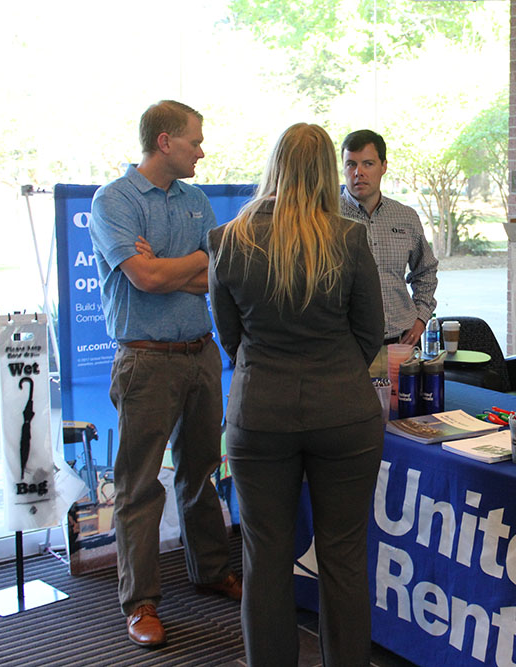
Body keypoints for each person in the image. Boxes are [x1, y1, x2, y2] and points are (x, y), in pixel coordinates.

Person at [208, 123, 385, 666]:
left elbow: (230, 338)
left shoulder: (226, 239)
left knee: (264, 556)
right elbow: (369, 332)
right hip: (345, 415)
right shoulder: (350, 237)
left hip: (259, 413)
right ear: (327, 173)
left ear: (274, 165)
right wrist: (334, 376)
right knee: (344, 557)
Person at [88, 100, 241, 648]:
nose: (202, 150)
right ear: (164, 142)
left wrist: (172, 268)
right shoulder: (113, 202)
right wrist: (187, 264)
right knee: (138, 486)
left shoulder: (196, 199)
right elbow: (146, 278)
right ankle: (141, 603)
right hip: (145, 361)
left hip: (201, 354)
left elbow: (216, 275)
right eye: (195, 141)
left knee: (200, 473)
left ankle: (209, 570)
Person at [339, 129, 438, 377]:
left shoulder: (405, 217)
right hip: (347, 349)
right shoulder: (326, 217)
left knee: (405, 415)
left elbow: (425, 271)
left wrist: (421, 319)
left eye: (368, 163)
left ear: (383, 166)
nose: (358, 172)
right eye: (350, 164)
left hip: (402, 345)